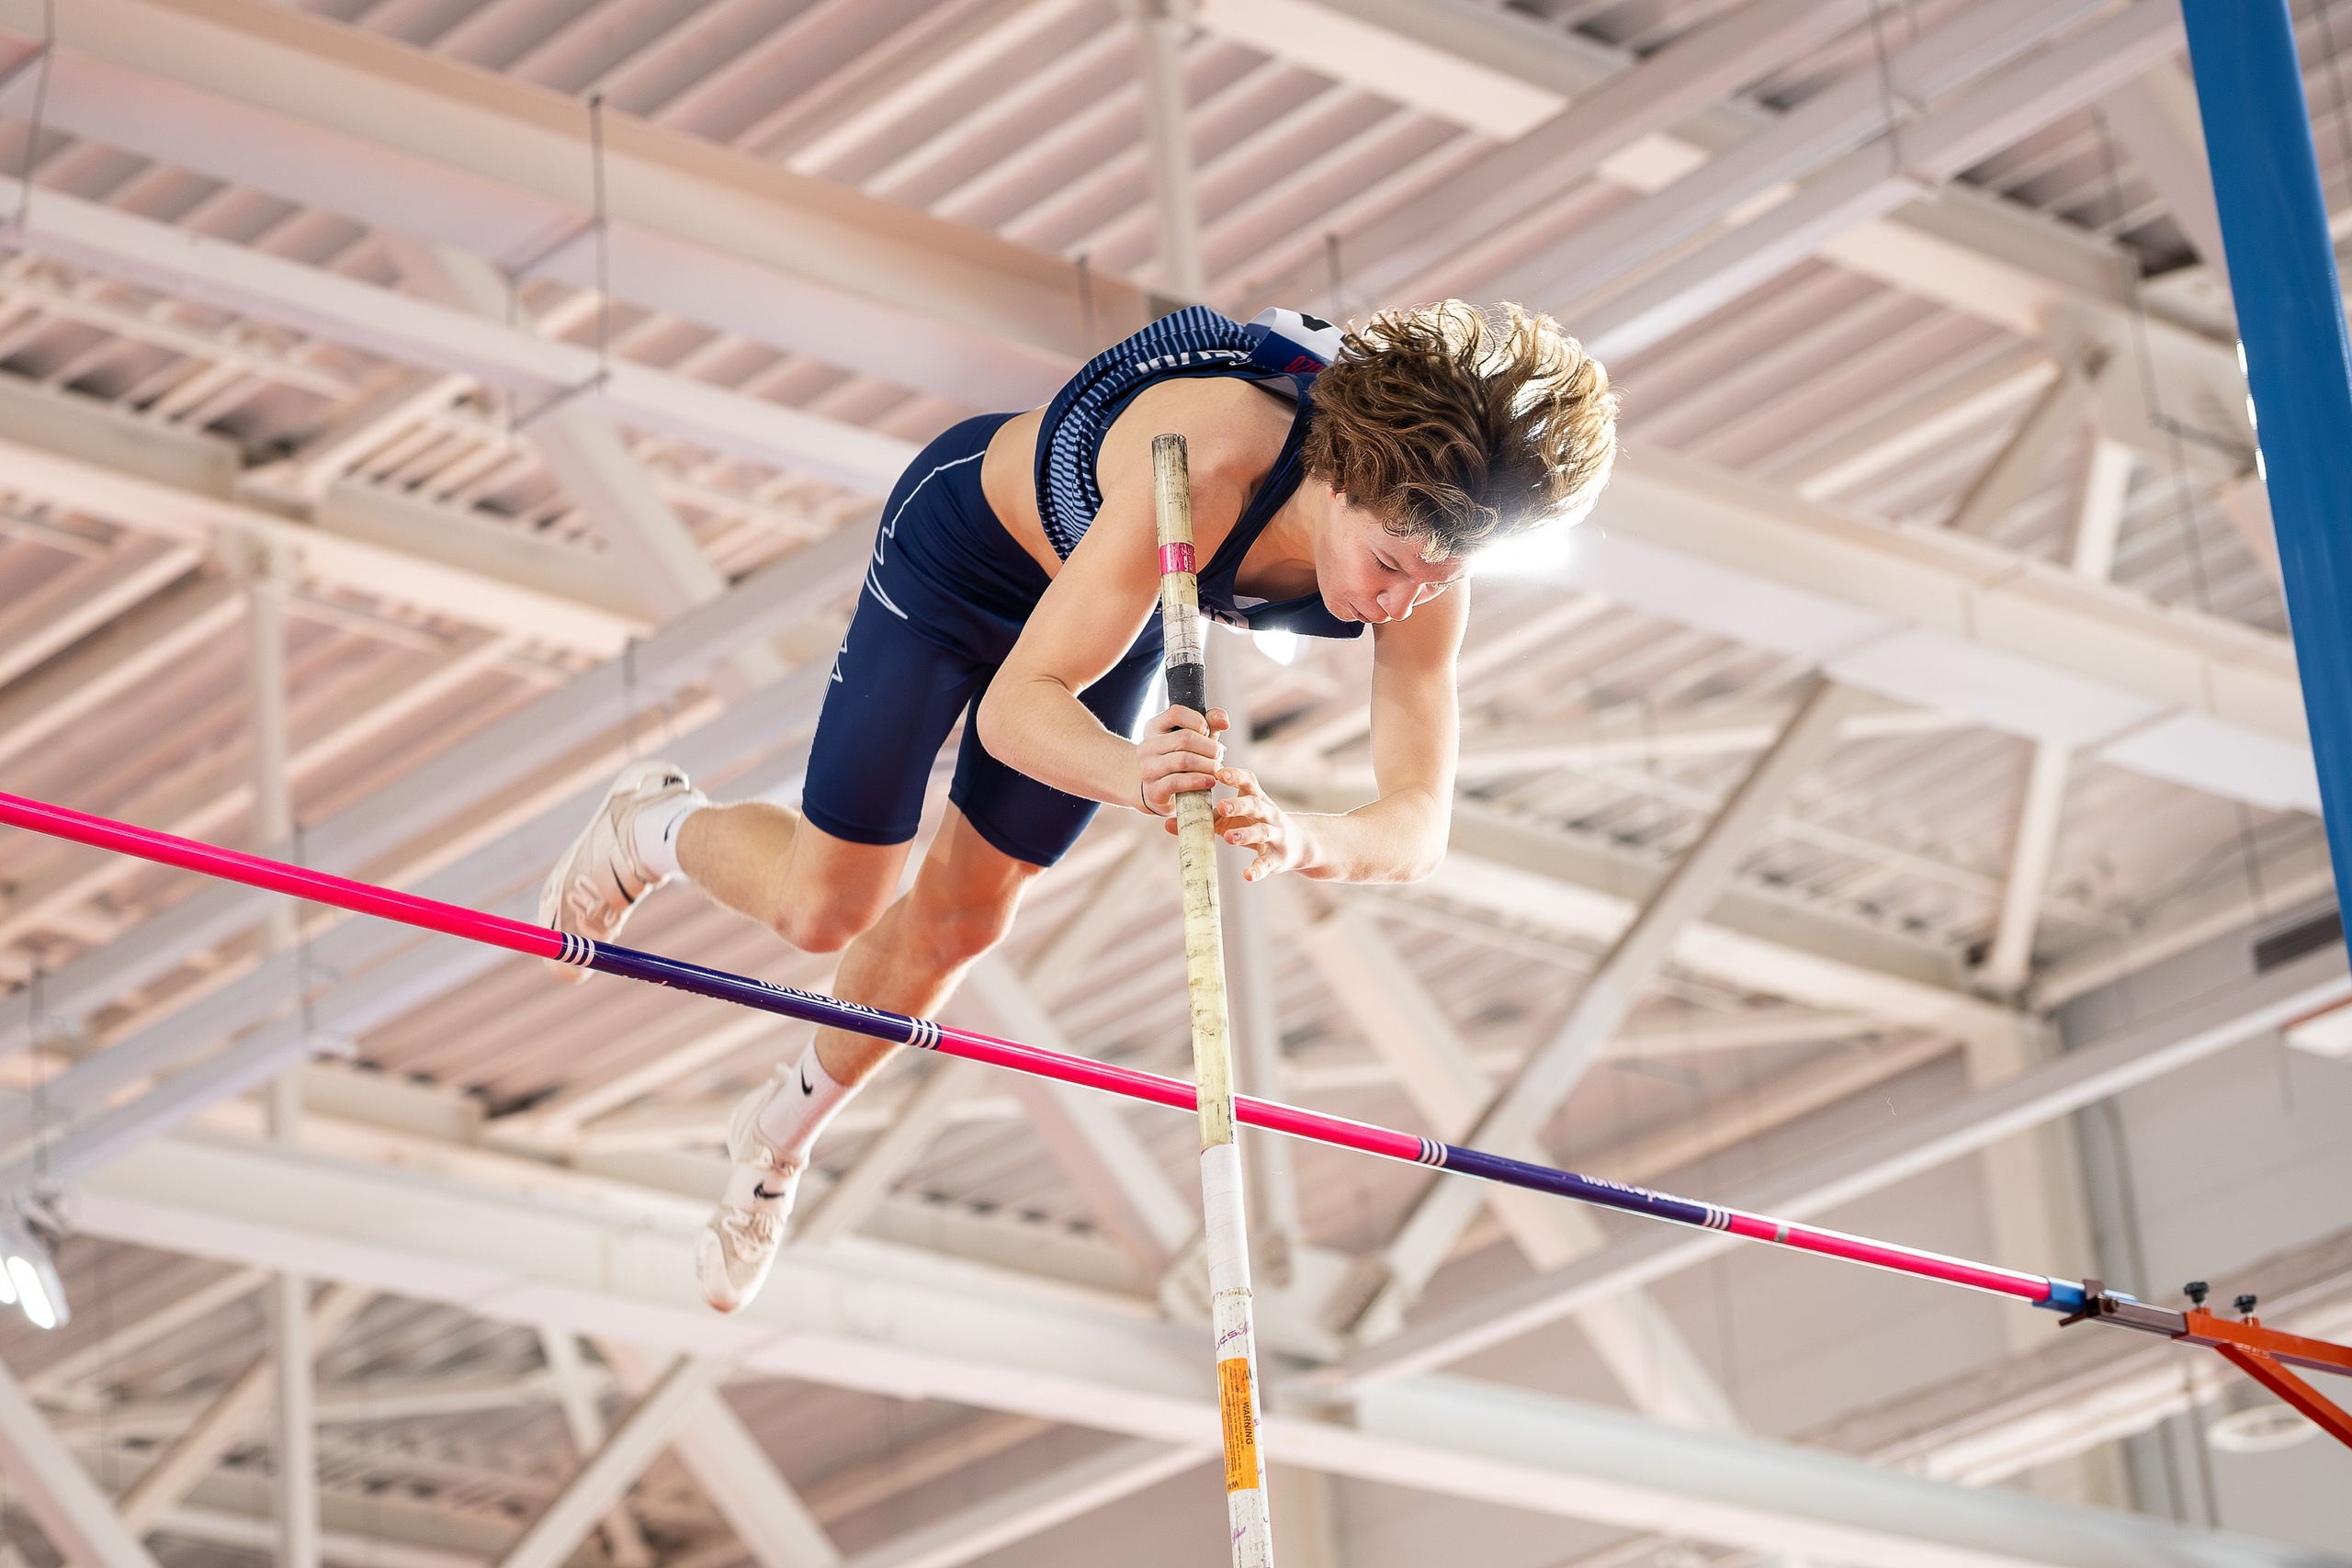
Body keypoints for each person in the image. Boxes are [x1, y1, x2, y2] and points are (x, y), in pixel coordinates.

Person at [538, 299, 1618, 1313]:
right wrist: (1137, 777)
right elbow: (1017, 710)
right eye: (1386, 565)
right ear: (1335, 477)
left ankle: (775, 1138)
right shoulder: (1206, 456)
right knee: (826, 908)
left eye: (1433, 581)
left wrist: (1303, 837)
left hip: (1120, 615)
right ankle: (655, 824)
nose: (1399, 601)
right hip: (962, 563)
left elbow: (1420, 823)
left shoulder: (1430, 560)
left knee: (963, 923)